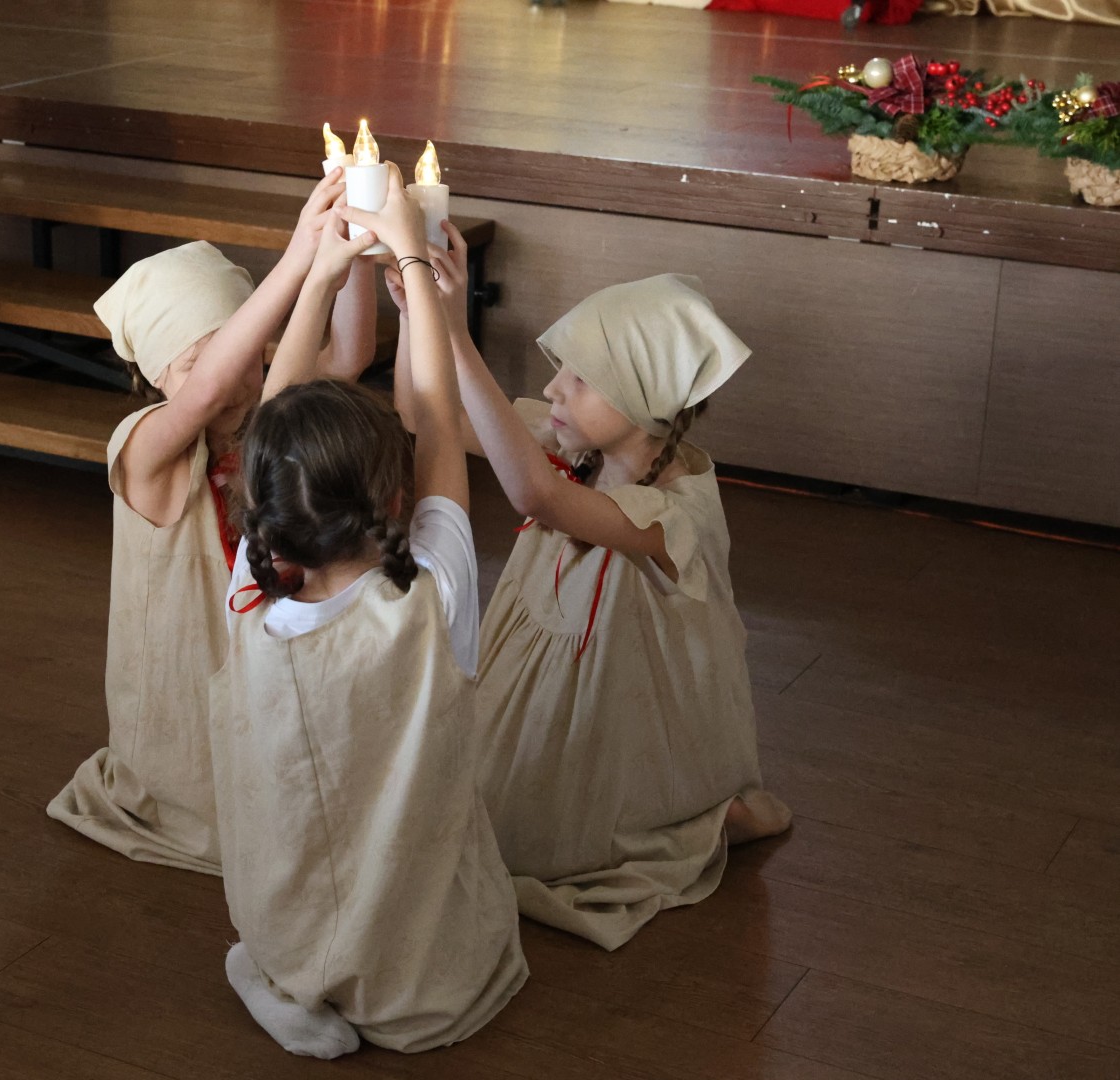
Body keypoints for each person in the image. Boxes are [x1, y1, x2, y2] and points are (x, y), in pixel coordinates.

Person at [391, 233, 792, 950]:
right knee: (452, 817)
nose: (554, 390)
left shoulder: (676, 513)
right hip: (539, 694)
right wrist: (416, 313)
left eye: (579, 379)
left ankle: (704, 814)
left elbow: (534, 495)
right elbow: (422, 415)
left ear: (641, 399)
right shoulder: (576, 445)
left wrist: (457, 331)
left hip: (622, 712)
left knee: (513, 843)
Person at [210, 169, 526, 1058]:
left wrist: (318, 273)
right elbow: (438, 420)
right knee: (443, 919)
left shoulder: (251, 594)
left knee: (291, 905)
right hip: (419, 957)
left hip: (288, 912)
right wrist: (415, 264)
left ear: (263, 511)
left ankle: (283, 976)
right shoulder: (431, 595)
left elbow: (273, 426)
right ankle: (369, 987)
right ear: (394, 496)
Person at [47, 171, 350, 875]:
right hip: (182, 701)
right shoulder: (143, 447)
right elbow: (211, 390)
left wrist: (347, 252)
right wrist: (300, 254)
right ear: (159, 376)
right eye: (204, 362)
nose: (238, 381)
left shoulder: (256, 426)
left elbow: (348, 353)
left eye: (249, 359)